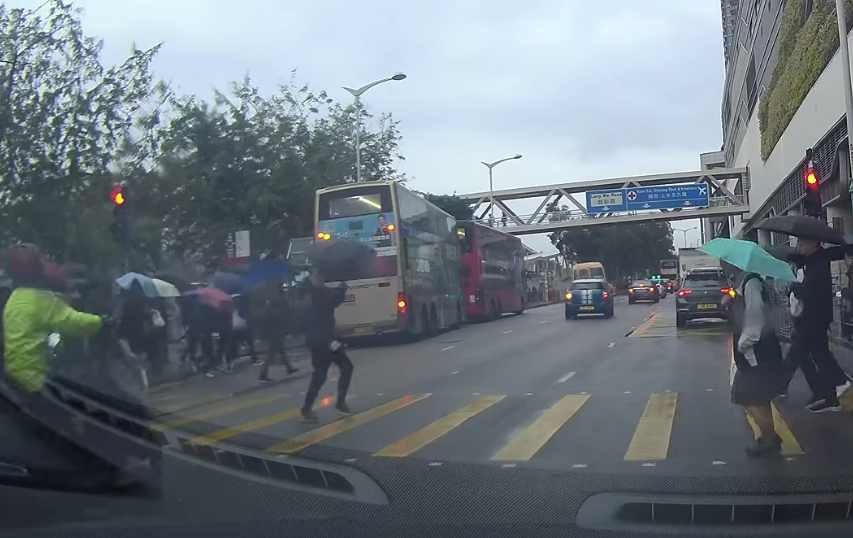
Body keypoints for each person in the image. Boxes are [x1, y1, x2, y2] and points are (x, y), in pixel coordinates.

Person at [3, 244, 104, 395]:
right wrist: (101, 321)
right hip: (35, 381)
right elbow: (76, 322)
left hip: (11, 374)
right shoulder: (43, 300)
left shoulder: (14, 298)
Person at [727, 264, 789, 457]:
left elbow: (755, 316)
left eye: (724, 260)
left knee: (749, 397)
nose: (722, 263)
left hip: (757, 352)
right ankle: (769, 437)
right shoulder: (746, 283)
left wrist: (744, 344)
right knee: (757, 397)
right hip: (758, 351)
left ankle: (770, 439)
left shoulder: (751, 283)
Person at [788, 238, 852, 412]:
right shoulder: (813, 261)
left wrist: (795, 287)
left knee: (807, 352)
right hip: (813, 317)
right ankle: (829, 394)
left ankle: (836, 384)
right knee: (816, 352)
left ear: (814, 243)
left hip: (814, 317)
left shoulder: (818, 264)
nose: (800, 245)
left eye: (803, 242)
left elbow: (812, 292)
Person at [299, 268, 353, 423]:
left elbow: (332, 297)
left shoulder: (312, 293)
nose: (321, 279)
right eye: (319, 276)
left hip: (321, 339)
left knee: (325, 373)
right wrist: (342, 289)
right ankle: (335, 404)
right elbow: (333, 299)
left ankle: (310, 407)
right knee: (332, 371)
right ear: (313, 279)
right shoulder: (316, 294)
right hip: (322, 341)